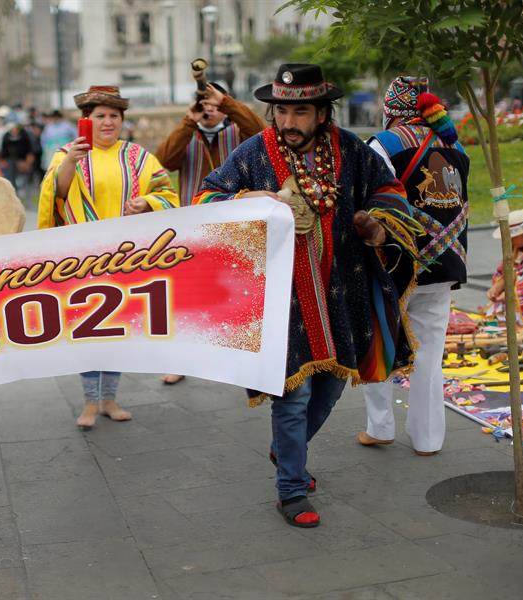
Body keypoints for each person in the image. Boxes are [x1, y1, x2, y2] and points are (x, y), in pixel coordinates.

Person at [194, 64, 417, 527]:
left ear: (322, 112)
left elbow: (391, 192)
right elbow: (205, 202)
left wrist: (375, 223)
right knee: (292, 396)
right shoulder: (253, 153)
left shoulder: (352, 150)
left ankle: (286, 449)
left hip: (344, 292)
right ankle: (292, 490)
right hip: (283, 301)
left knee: (333, 386)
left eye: (300, 111)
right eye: (280, 112)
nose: (288, 122)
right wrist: (247, 200)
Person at [38, 85, 179, 430]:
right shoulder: (66, 154)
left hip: (125, 259)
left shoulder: (138, 157)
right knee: (86, 330)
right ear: (86, 120)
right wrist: (70, 161)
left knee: (116, 330)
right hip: (81, 260)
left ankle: (110, 398)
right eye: (99, 115)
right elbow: (55, 195)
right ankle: (89, 402)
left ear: (121, 120)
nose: (107, 122)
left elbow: (166, 192)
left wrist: (147, 203)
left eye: (113, 116)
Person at [359, 79, 470, 456]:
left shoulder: (384, 144)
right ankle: (427, 439)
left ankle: (380, 426)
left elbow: (364, 197)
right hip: (446, 263)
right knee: (429, 353)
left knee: (379, 339)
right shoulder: (457, 146)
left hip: (395, 262)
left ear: (391, 108)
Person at [154, 83, 266, 384]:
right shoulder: (187, 134)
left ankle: (241, 360)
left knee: (239, 293)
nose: (209, 109)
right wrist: (188, 123)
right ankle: (181, 361)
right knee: (185, 298)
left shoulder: (237, 133)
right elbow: (163, 161)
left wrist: (228, 105)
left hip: (235, 224)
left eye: (215, 103)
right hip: (192, 226)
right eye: (204, 104)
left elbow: (261, 131)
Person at [483, 210, 523, 321]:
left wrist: (511, 293)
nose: (510, 239)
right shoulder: (515, 252)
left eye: (513, 235)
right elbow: (505, 272)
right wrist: (497, 287)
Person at [0, 117, 37, 200]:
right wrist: (2, 160)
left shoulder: (24, 134)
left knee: (25, 177)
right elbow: (3, 149)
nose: (14, 130)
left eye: (15, 128)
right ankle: (13, 195)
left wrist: (29, 158)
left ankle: (27, 196)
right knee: (10, 177)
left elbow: (29, 147)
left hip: (22, 159)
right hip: (10, 159)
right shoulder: (6, 136)